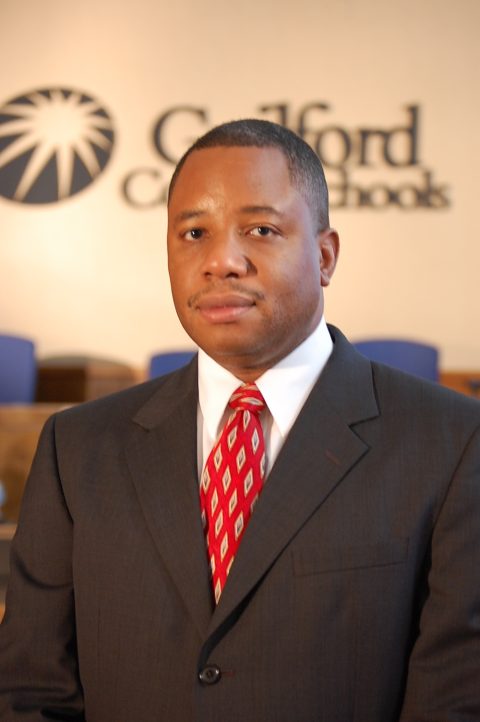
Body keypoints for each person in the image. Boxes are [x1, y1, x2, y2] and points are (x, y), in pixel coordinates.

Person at [0, 119, 479, 722]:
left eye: (261, 230)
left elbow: (456, 699)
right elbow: (31, 690)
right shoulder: (76, 449)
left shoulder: (454, 443)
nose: (221, 261)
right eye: (194, 232)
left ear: (325, 256)